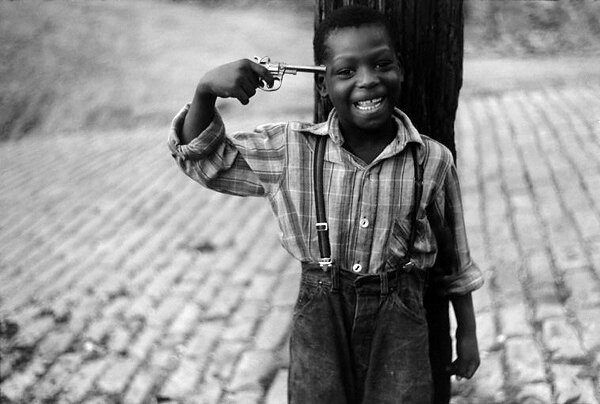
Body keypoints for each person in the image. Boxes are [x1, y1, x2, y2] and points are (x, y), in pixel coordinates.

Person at [168, 5, 483, 403]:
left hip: (401, 331)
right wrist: (205, 91)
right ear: (323, 84)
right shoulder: (292, 151)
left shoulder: (431, 160)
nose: (368, 80)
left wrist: (467, 333)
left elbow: (454, 261)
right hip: (320, 330)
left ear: (400, 70)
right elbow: (205, 159)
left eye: (381, 64)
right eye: (346, 71)